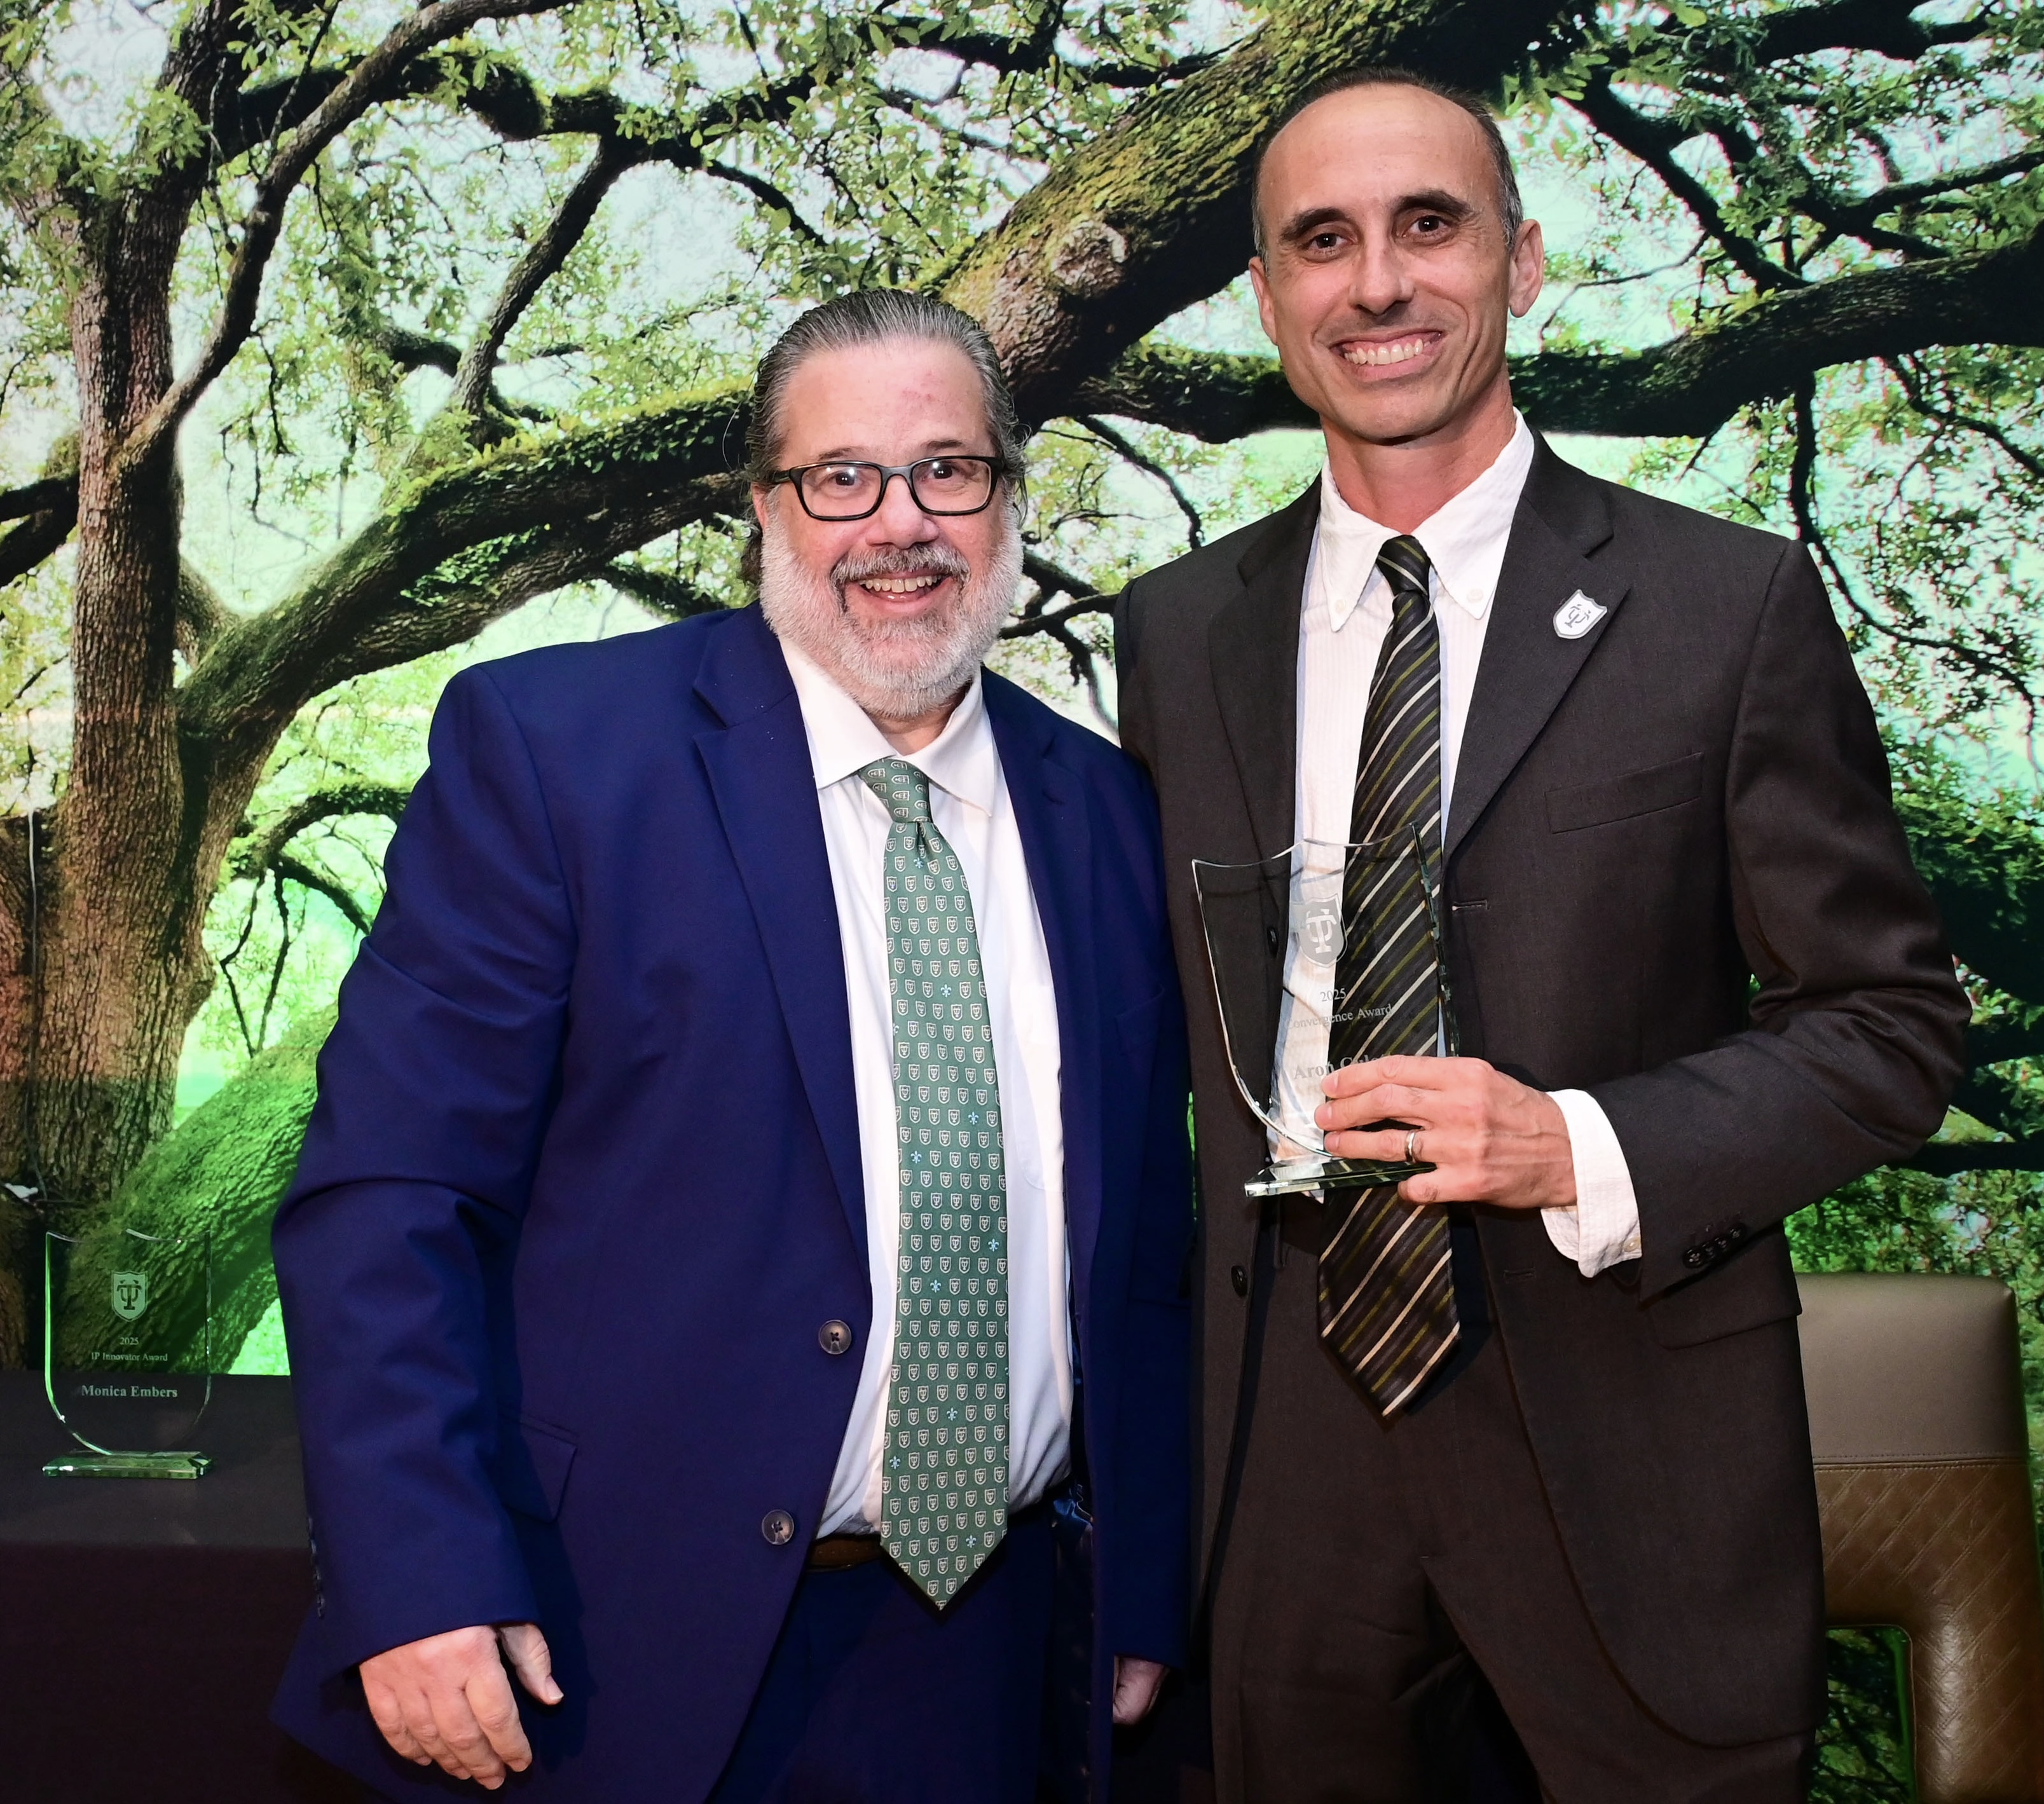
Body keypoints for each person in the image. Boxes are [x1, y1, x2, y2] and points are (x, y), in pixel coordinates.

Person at [1113, 67, 1968, 1803]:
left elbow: (1890, 1027)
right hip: (1280, 1475)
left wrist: (1571, 1139)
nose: (1380, 283)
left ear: (1523, 259)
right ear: (1270, 302)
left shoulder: (1729, 605)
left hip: (1629, 1449)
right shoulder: (1170, 632)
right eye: (1323, 242)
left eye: (1430, 223)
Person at [270, 290, 1191, 1801]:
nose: (899, 525)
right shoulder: (557, 753)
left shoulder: (1106, 811)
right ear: (762, 508)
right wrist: (418, 1575)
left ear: (1011, 503)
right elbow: (392, 1194)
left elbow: (1151, 1236)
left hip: (982, 1655)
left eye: (949, 471)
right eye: (842, 478)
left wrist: (1146, 1578)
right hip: (597, 1648)